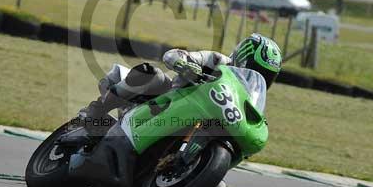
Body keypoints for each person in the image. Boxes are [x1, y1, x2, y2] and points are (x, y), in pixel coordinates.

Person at [61, 33, 282, 146]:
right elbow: (173, 54)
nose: (261, 77)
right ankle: (95, 114)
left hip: (186, 130)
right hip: (159, 105)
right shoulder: (216, 61)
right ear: (244, 58)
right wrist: (186, 64)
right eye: (256, 69)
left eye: (267, 76)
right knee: (154, 75)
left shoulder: (248, 102)